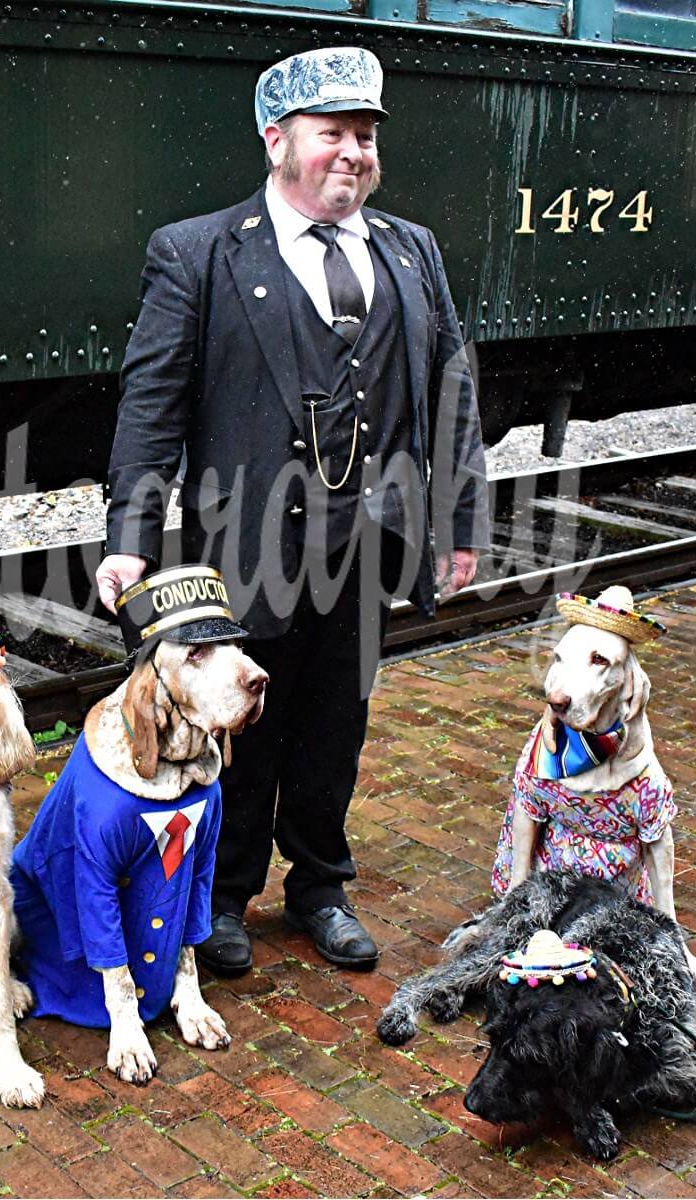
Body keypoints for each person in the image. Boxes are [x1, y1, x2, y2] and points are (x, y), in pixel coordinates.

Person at [95, 48, 489, 975]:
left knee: (335, 720)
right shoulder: (196, 252)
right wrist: (130, 542)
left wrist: (460, 524)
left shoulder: (411, 249)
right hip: (250, 545)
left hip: (368, 540)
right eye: (331, 135)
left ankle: (319, 884)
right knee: (241, 725)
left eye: (364, 136)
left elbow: (451, 390)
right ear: (278, 141)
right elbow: (151, 408)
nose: (352, 153)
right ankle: (224, 898)